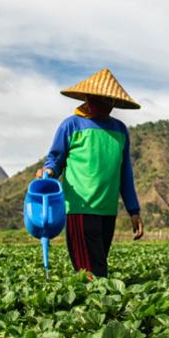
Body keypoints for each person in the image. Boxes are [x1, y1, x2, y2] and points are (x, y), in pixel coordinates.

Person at [37, 68, 144, 277]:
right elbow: (56, 158)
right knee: (91, 270)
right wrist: (48, 171)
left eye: (109, 102)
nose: (105, 106)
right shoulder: (72, 125)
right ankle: (96, 305)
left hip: (107, 210)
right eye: (100, 100)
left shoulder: (120, 130)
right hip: (80, 207)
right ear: (88, 98)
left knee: (98, 262)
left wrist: (134, 210)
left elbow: (125, 173)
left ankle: (98, 303)